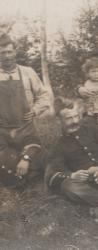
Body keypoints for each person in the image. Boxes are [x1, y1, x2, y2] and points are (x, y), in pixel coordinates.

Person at [0, 34, 49, 187]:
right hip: (2, 133)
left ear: (15, 52)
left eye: (9, 52)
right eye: (2, 53)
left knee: (41, 159)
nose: (7, 56)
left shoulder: (28, 72)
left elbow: (44, 95)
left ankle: (27, 166)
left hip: (27, 131)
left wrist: (35, 110)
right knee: (7, 164)